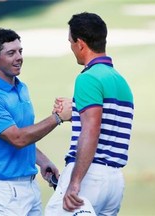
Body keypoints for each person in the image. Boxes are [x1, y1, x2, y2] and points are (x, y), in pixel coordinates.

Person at [0, 28, 71, 216]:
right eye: (11, 53)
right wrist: (57, 118)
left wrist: (42, 162)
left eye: (20, 51)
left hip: (30, 185)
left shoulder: (21, 87)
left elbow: (25, 135)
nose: (19, 57)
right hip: (4, 192)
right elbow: (18, 138)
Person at [45, 12, 134, 216]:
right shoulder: (121, 81)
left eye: (71, 41)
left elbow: (91, 129)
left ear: (81, 43)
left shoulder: (88, 79)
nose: (70, 47)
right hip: (114, 182)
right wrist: (75, 111)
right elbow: (106, 120)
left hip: (89, 177)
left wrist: (75, 182)